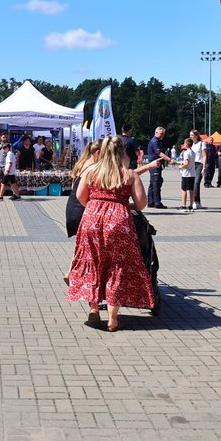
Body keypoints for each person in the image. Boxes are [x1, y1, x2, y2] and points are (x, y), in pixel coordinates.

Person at [67, 136, 154, 331]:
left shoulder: (91, 171)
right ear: (122, 153)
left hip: (91, 219)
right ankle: (113, 319)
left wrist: (95, 206)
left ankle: (94, 308)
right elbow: (141, 204)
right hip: (118, 221)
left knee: (93, 262)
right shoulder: (129, 174)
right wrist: (123, 205)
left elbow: (81, 196)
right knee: (117, 266)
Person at [146, 126, 176, 209]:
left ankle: (151, 202)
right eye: (161, 134)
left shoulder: (158, 141)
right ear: (156, 132)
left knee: (152, 183)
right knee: (156, 183)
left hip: (156, 164)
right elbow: (159, 153)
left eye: (163, 134)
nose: (162, 135)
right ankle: (157, 202)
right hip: (154, 164)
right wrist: (170, 160)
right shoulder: (155, 141)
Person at [189, 130, 205, 209]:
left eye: (192, 135)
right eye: (190, 135)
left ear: (196, 135)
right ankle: (196, 201)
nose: (191, 137)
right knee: (192, 184)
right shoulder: (190, 145)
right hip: (192, 165)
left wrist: (204, 167)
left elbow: (205, 156)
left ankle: (196, 201)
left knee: (196, 183)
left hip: (199, 164)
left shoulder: (202, 144)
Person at [178, 138, 195, 211]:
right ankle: (191, 205)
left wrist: (181, 166)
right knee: (191, 190)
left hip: (186, 173)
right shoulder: (193, 152)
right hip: (192, 173)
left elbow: (187, 163)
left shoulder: (186, 153)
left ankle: (183, 205)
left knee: (184, 189)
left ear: (186, 144)